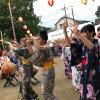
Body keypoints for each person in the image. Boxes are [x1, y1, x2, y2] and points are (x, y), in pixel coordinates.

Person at [71, 24, 100, 100]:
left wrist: (78, 34)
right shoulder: (84, 46)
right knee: (84, 96)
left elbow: (92, 47)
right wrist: (81, 64)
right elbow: (85, 59)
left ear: (91, 33)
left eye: (84, 32)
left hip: (94, 78)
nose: (82, 34)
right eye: (82, 32)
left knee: (93, 96)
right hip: (85, 77)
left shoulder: (96, 43)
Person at [29, 31, 56, 100]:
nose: (38, 40)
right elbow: (32, 52)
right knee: (49, 92)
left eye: (39, 39)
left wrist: (34, 39)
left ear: (43, 40)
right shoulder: (43, 47)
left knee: (46, 92)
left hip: (48, 71)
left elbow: (39, 48)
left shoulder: (46, 47)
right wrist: (28, 44)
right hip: (47, 70)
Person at [17, 34, 38, 100]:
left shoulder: (29, 47)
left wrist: (28, 43)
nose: (21, 43)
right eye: (21, 42)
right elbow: (18, 50)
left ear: (25, 42)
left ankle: (29, 96)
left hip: (28, 67)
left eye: (22, 42)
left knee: (26, 83)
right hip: (24, 67)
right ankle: (29, 96)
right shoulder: (21, 48)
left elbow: (31, 52)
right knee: (24, 82)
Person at [63, 23, 83, 90]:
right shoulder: (73, 45)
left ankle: (80, 87)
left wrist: (76, 31)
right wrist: (65, 30)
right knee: (76, 77)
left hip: (81, 64)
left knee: (80, 78)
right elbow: (67, 40)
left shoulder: (82, 44)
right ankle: (78, 87)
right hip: (74, 64)